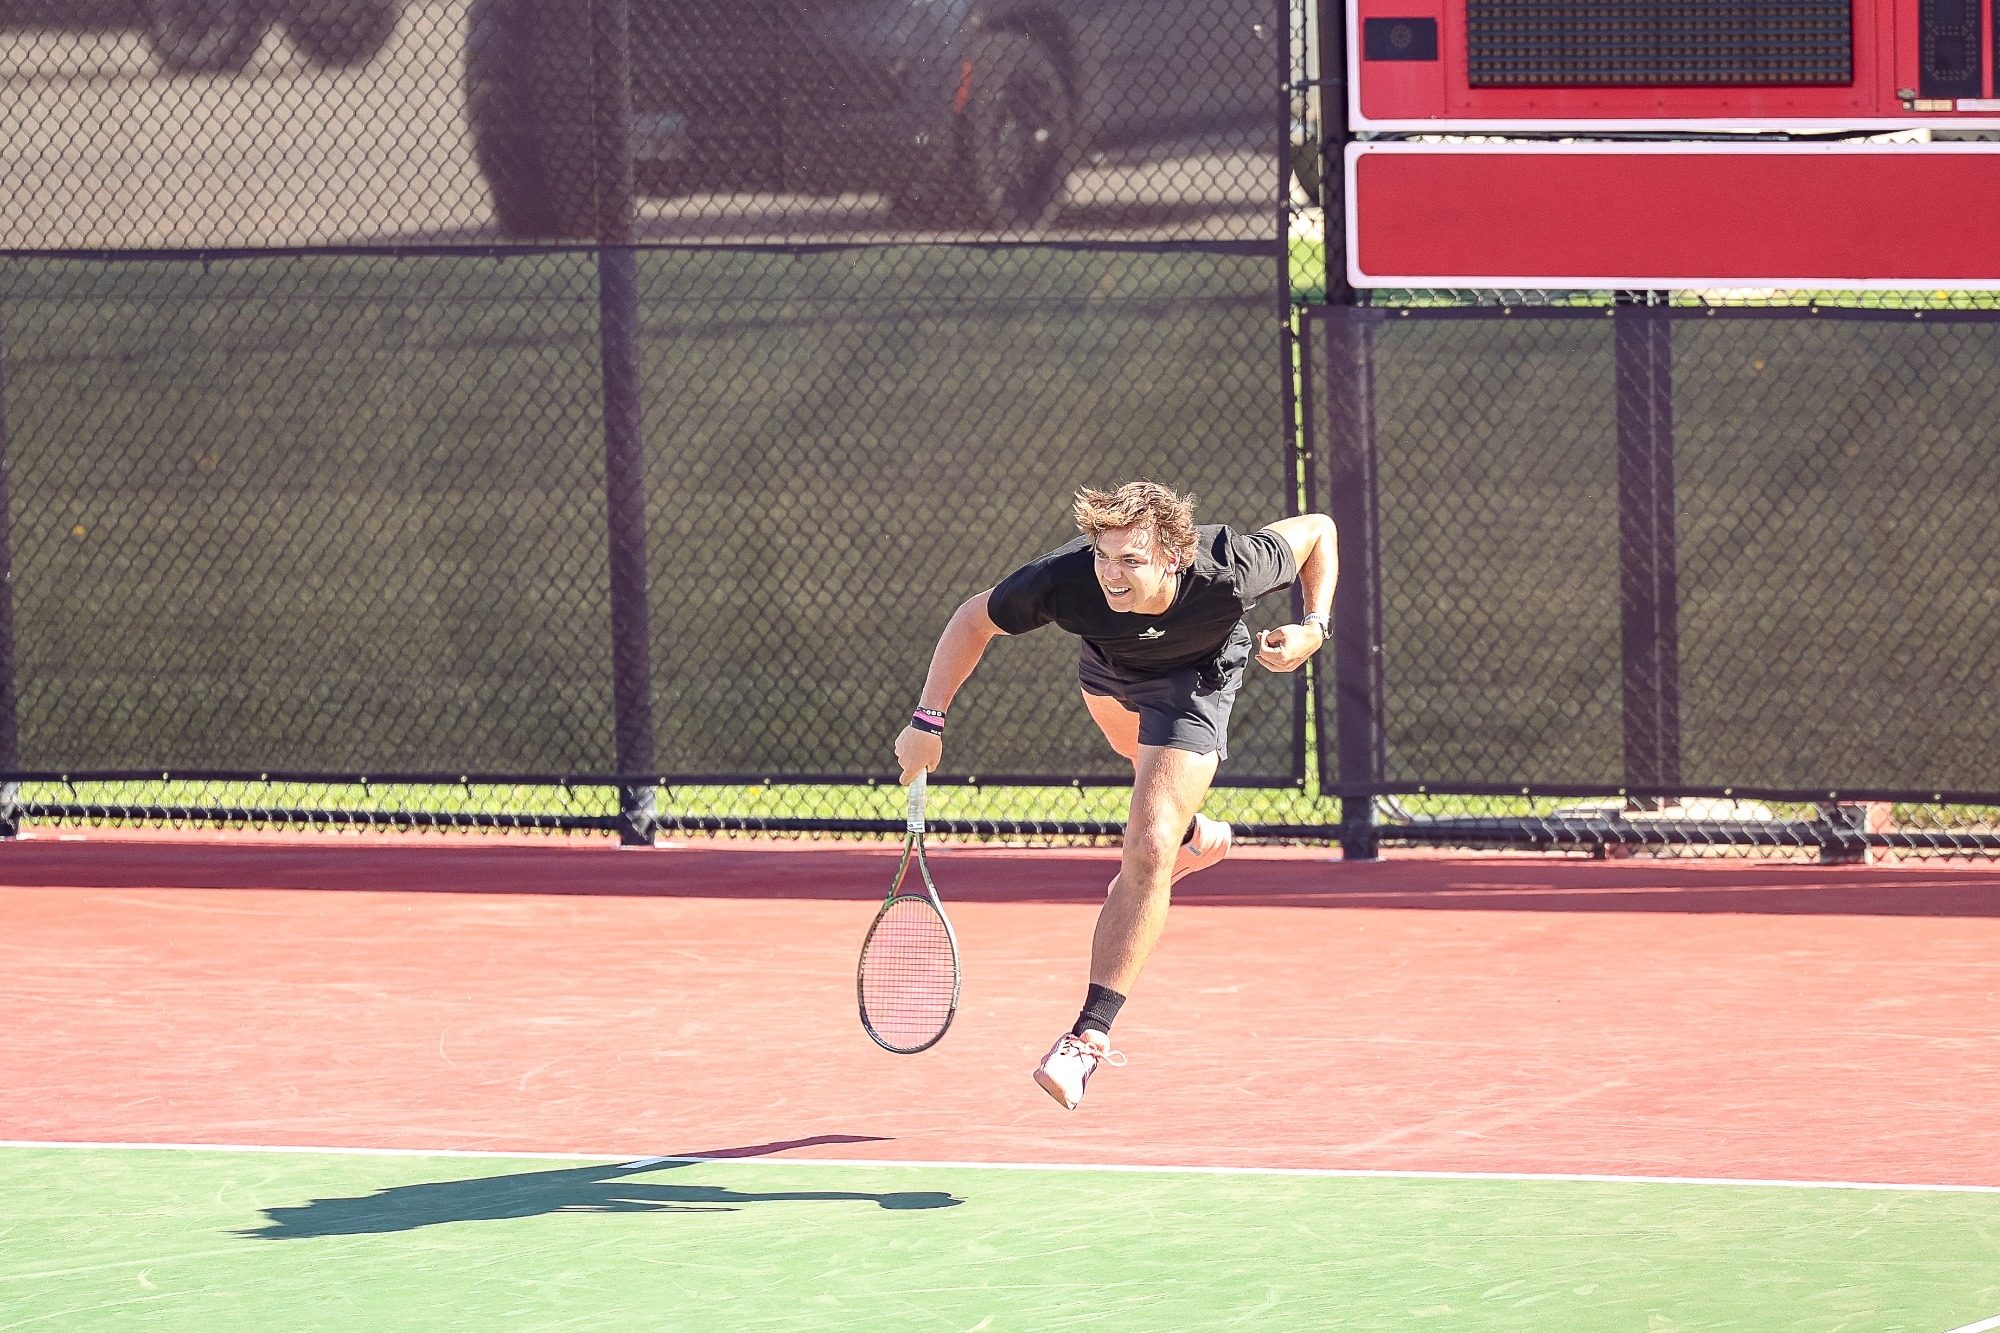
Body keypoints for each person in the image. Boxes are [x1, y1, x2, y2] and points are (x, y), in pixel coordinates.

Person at [893, 481, 1338, 1110]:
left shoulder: (1229, 566)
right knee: (1147, 794)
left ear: (1175, 558)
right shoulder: (1067, 580)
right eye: (1104, 556)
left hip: (1194, 683)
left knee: (1147, 843)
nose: (1109, 573)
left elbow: (1320, 528)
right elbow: (974, 617)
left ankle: (1086, 1038)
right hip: (1108, 676)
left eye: (1130, 560)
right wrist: (927, 721)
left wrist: (1313, 628)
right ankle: (1190, 838)